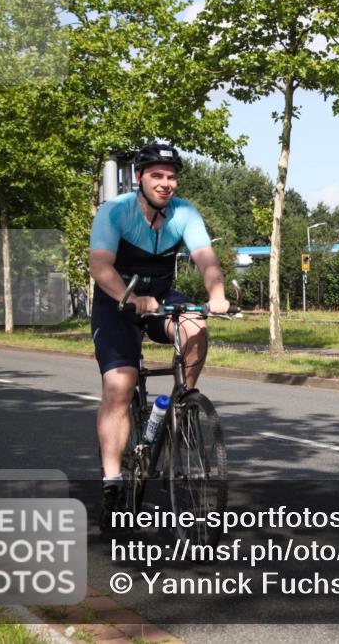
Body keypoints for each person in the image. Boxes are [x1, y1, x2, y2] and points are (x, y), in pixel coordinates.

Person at [89, 142, 229, 533]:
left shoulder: (184, 213)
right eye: (157, 176)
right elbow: (100, 266)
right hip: (117, 301)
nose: (166, 183)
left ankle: (183, 403)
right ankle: (113, 484)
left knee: (196, 325)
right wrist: (132, 299)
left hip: (161, 298)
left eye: (171, 176)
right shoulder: (114, 211)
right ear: (140, 178)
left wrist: (216, 294)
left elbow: (205, 259)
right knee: (120, 384)